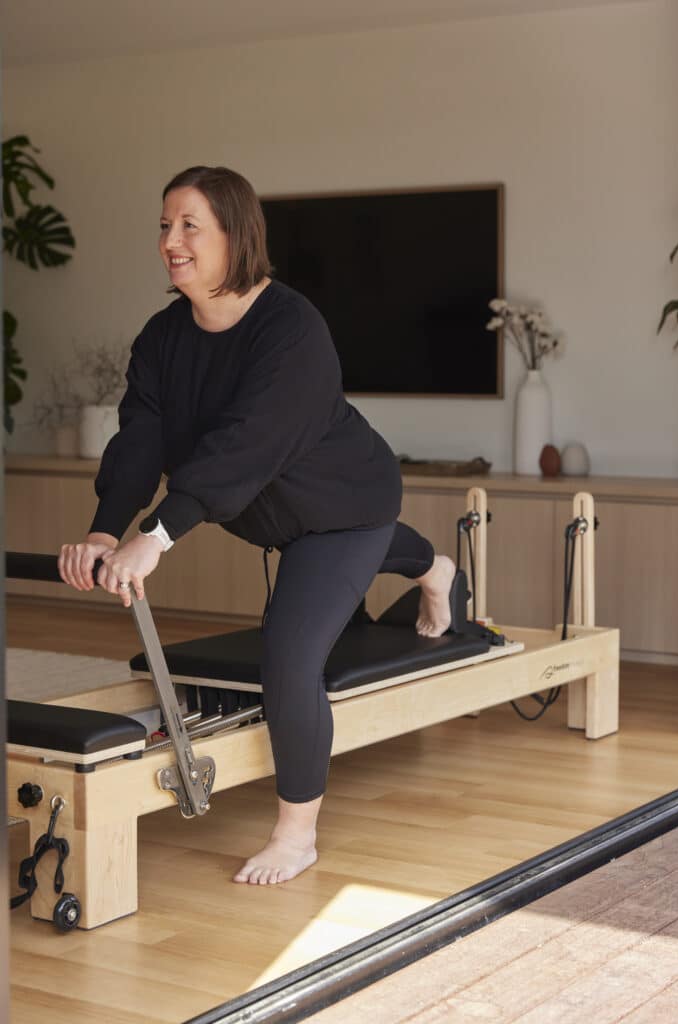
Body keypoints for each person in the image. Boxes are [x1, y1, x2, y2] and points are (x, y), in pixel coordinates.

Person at [58, 166, 457, 886]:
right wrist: (105, 529)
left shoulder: (291, 329)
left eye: (189, 226)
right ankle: (435, 568)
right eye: (164, 225)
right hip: (272, 518)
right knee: (348, 553)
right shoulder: (162, 337)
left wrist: (156, 535)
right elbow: (141, 437)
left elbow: (245, 445)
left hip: (346, 505)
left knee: (289, 656)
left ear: (235, 235)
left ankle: (296, 835)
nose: (170, 241)